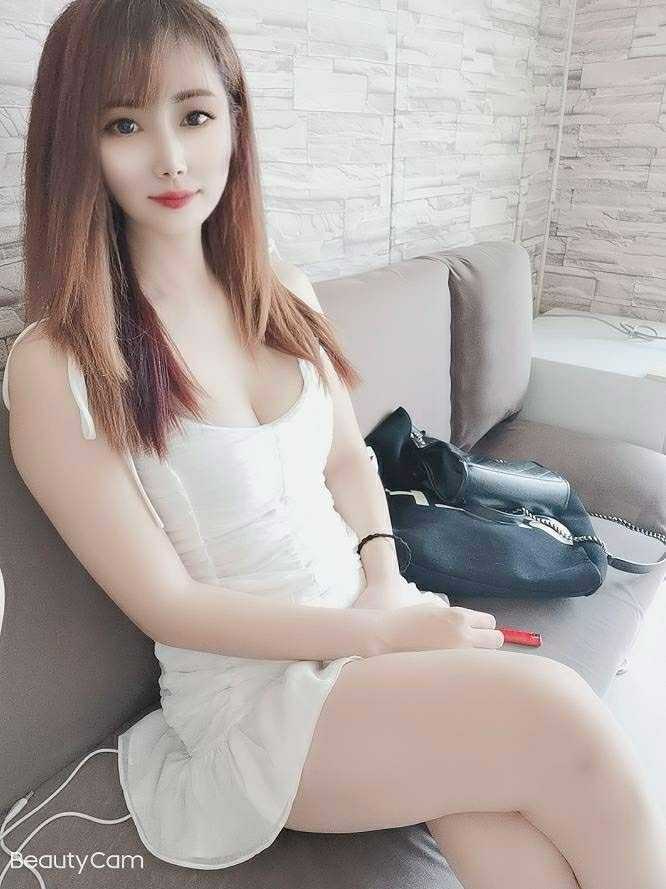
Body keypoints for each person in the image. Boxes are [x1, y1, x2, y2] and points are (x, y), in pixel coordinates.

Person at [3, 1, 665, 886]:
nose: (170, 157)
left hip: (367, 615)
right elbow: (168, 604)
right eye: (125, 124)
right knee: (564, 718)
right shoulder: (58, 365)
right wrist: (380, 634)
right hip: (257, 699)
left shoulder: (279, 289)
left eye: (194, 115)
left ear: (235, 121)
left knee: (507, 823)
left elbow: (349, 459)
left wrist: (384, 582)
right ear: (75, 146)